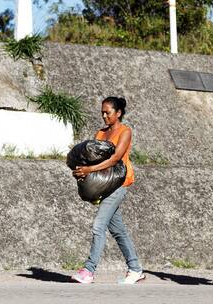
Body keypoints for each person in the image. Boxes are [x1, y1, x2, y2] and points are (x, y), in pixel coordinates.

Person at [70, 96, 145, 285]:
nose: (104, 116)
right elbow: (94, 159)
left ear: (118, 113)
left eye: (108, 112)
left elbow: (114, 159)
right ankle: (135, 269)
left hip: (119, 183)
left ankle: (89, 270)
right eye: (102, 112)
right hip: (104, 185)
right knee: (118, 230)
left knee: (99, 225)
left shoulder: (124, 132)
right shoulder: (101, 133)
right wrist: (82, 173)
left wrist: (89, 170)